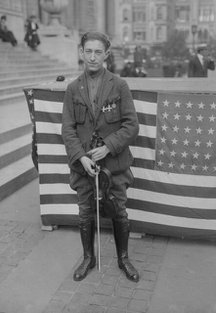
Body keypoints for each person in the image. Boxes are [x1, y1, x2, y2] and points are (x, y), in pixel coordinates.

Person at [62, 31, 140, 282]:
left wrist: (107, 146)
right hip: (84, 166)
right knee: (85, 213)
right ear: (81, 52)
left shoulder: (119, 85)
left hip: (114, 166)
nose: (93, 57)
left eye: (98, 52)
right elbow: (68, 128)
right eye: (88, 51)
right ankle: (88, 258)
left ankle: (124, 258)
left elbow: (131, 125)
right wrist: (81, 157)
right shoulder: (73, 88)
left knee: (119, 212)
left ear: (106, 54)